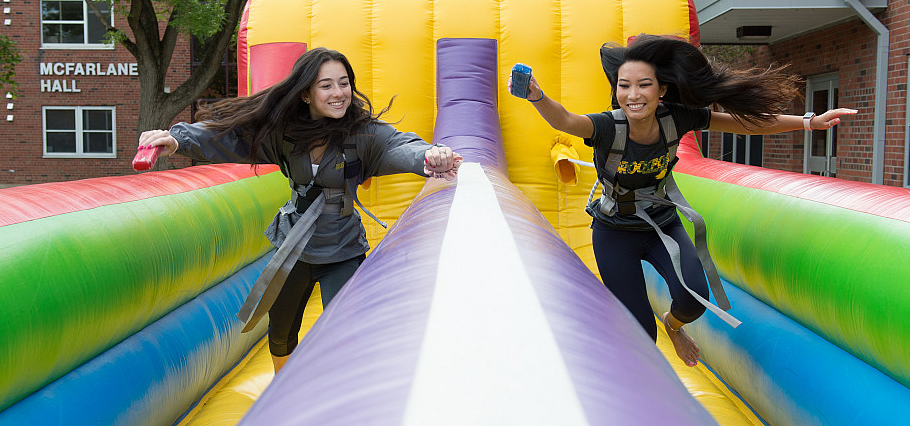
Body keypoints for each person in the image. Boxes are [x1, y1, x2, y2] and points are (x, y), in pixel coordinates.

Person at [510, 34, 856, 367]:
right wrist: (537, 96)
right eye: (624, 85)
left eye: (644, 84)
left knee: (692, 301)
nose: (633, 94)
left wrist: (809, 122)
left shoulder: (676, 117)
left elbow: (742, 124)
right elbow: (567, 120)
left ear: (661, 89)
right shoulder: (606, 127)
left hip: (662, 223)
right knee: (639, 331)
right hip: (615, 232)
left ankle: (672, 325)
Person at [139, 47, 462, 373]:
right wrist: (177, 139)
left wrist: (429, 157)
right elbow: (229, 137)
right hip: (295, 247)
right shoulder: (284, 133)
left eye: (344, 83)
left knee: (348, 334)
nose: (339, 93)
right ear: (306, 94)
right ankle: (284, 392)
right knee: (280, 333)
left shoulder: (363, 133)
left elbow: (399, 147)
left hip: (343, 248)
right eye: (327, 85)